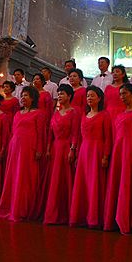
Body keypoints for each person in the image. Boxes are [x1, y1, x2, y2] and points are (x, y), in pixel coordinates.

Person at [104, 83, 132, 234]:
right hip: (119, 150)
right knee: (118, 182)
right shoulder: (120, 114)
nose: (122, 97)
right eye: (121, 94)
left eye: (125, 94)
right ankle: (116, 219)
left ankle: (129, 220)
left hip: (131, 152)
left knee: (128, 183)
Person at [0, 86, 46, 221]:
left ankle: (23, 208)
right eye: (22, 96)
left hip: (29, 148)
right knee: (13, 176)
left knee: (26, 177)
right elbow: (13, 132)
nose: (23, 98)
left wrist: (39, 149)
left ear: (33, 98)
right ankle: (10, 206)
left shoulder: (39, 113)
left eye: (26, 96)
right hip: (15, 147)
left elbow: (41, 134)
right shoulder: (17, 114)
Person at [69, 86, 112, 228]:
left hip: (97, 151)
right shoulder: (83, 115)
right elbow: (80, 137)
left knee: (95, 183)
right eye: (88, 96)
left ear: (99, 98)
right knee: (83, 183)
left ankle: (94, 218)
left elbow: (107, 138)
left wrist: (105, 156)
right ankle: (81, 215)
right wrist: (76, 153)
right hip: (84, 152)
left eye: (92, 96)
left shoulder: (105, 115)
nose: (89, 98)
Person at [43, 84, 80, 224]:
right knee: (54, 180)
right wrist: (47, 148)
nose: (59, 96)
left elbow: (75, 133)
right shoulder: (55, 113)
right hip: (54, 148)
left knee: (65, 179)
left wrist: (73, 149)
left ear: (69, 96)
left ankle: (65, 212)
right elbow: (50, 134)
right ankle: (52, 212)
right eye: (58, 94)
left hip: (66, 148)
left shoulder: (74, 112)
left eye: (62, 93)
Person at [104, 65, 128, 136]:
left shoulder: (126, 87)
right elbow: (105, 102)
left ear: (123, 74)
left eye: (117, 71)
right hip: (108, 114)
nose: (114, 74)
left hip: (122, 113)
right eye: (113, 72)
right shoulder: (108, 87)